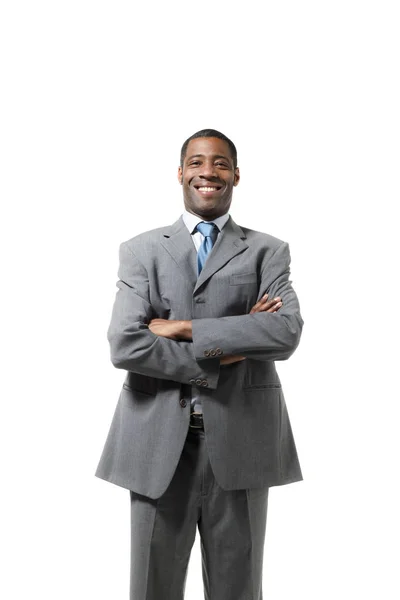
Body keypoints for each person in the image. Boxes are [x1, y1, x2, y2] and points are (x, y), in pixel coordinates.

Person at [95, 128, 304, 600]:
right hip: (155, 444)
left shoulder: (267, 250)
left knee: (239, 590)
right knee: (153, 588)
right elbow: (125, 344)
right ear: (180, 172)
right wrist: (233, 342)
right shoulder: (141, 250)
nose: (208, 172)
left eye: (220, 163)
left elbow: (285, 331)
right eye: (196, 162)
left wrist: (183, 328)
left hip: (243, 439)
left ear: (235, 175)